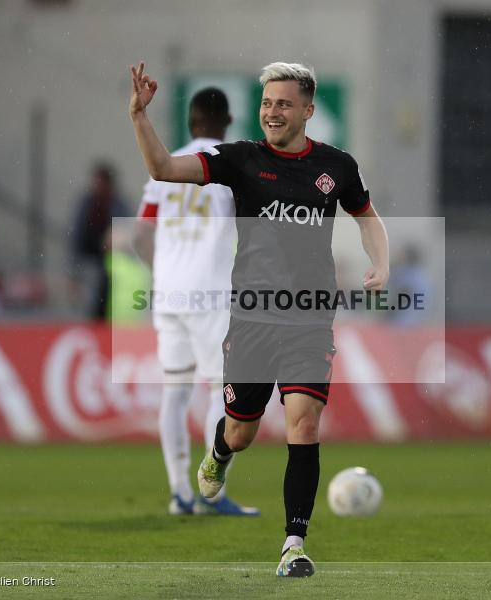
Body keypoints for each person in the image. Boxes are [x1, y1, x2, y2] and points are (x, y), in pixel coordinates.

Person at [128, 61, 389, 577]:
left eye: (284, 103)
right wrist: (139, 116)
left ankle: (294, 543)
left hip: (310, 319)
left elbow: (367, 217)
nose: (272, 111)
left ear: (309, 111)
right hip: (251, 319)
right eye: (268, 103)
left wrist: (381, 261)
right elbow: (162, 169)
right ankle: (219, 453)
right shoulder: (240, 160)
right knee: (243, 431)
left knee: (304, 422)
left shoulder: (338, 166)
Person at [131, 87, 259, 516]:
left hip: (168, 294)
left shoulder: (163, 165)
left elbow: (140, 235)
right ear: (226, 122)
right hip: (211, 295)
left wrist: (165, 269)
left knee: (175, 393)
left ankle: (178, 493)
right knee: (222, 397)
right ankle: (211, 494)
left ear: (191, 122)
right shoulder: (231, 165)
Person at [71, 162, 130, 320]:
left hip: (112, 261)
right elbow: (77, 235)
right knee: (92, 302)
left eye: (99, 182)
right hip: (90, 259)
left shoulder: (117, 204)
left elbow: (125, 232)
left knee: (108, 301)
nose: (96, 186)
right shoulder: (87, 204)